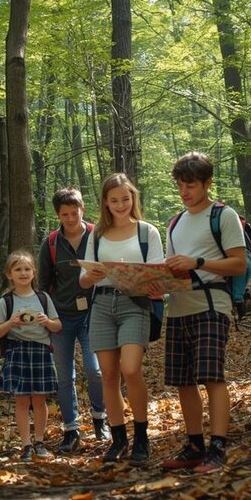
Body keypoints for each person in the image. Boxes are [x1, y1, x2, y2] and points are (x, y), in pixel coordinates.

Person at [160, 152, 248, 472]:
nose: (185, 191)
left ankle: (218, 448)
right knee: (183, 380)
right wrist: (156, 285)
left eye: (192, 185)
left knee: (211, 375)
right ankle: (195, 445)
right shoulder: (174, 223)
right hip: (179, 308)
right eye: (181, 185)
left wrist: (198, 262)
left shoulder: (222, 215)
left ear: (207, 183)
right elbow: (172, 271)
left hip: (212, 304)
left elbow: (238, 263)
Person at [78, 173, 164, 463]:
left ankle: (142, 437)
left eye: (125, 199)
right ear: (105, 202)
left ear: (133, 198)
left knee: (130, 369)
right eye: (114, 200)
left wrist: (151, 283)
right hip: (101, 305)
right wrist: (93, 274)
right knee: (109, 376)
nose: (120, 205)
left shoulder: (147, 232)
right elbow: (83, 280)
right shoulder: (96, 235)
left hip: (135, 304)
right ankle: (118, 439)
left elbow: (159, 273)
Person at [37, 187, 110, 453]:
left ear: (83, 208)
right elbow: (43, 285)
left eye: (74, 212)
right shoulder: (52, 243)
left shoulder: (98, 235)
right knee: (64, 376)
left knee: (96, 371)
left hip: (95, 314)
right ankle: (71, 429)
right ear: (58, 214)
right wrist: (47, 317)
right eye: (65, 214)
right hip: (61, 318)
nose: (70, 218)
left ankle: (100, 419)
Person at [0, 250, 63, 461]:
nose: (23, 273)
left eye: (27, 269)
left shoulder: (43, 298)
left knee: (40, 400)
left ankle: (40, 441)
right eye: (18, 269)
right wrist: (11, 323)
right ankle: (26, 445)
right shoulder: (6, 301)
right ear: (9, 275)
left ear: (34, 273)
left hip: (41, 350)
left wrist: (47, 322)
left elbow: (58, 326)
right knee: (22, 401)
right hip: (17, 351)